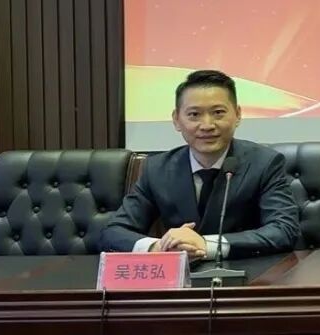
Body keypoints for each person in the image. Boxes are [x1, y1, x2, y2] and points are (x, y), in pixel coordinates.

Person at [100, 69, 300, 259]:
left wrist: (206, 245)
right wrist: (158, 247)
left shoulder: (265, 163)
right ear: (176, 120)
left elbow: (284, 230)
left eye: (218, 112)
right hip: (180, 277)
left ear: (238, 115)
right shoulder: (158, 169)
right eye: (194, 115)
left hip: (248, 274)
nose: (207, 125)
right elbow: (114, 232)